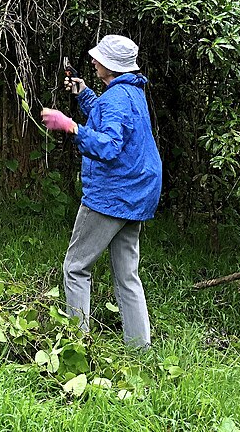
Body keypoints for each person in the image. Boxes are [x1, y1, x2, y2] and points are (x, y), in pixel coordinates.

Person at [40, 35, 163, 348]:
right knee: (127, 276)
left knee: (76, 267)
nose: (93, 61)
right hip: (138, 193)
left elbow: (108, 145)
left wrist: (70, 126)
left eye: (98, 58)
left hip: (113, 195)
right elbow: (110, 117)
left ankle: (75, 347)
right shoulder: (131, 92)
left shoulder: (116, 99)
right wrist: (84, 96)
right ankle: (140, 351)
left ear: (111, 65)